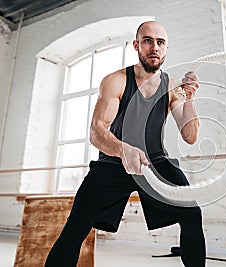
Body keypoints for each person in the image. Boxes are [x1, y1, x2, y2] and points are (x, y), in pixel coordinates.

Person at [45, 21, 206, 267]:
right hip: (113, 162)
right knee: (77, 222)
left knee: (192, 214)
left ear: (166, 48)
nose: (154, 47)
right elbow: (97, 131)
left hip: (155, 163)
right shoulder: (116, 81)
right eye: (147, 40)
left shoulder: (172, 87)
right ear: (136, 45)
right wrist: (123, 149)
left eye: (160, 42)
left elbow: (191, 136)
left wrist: (190, 98)